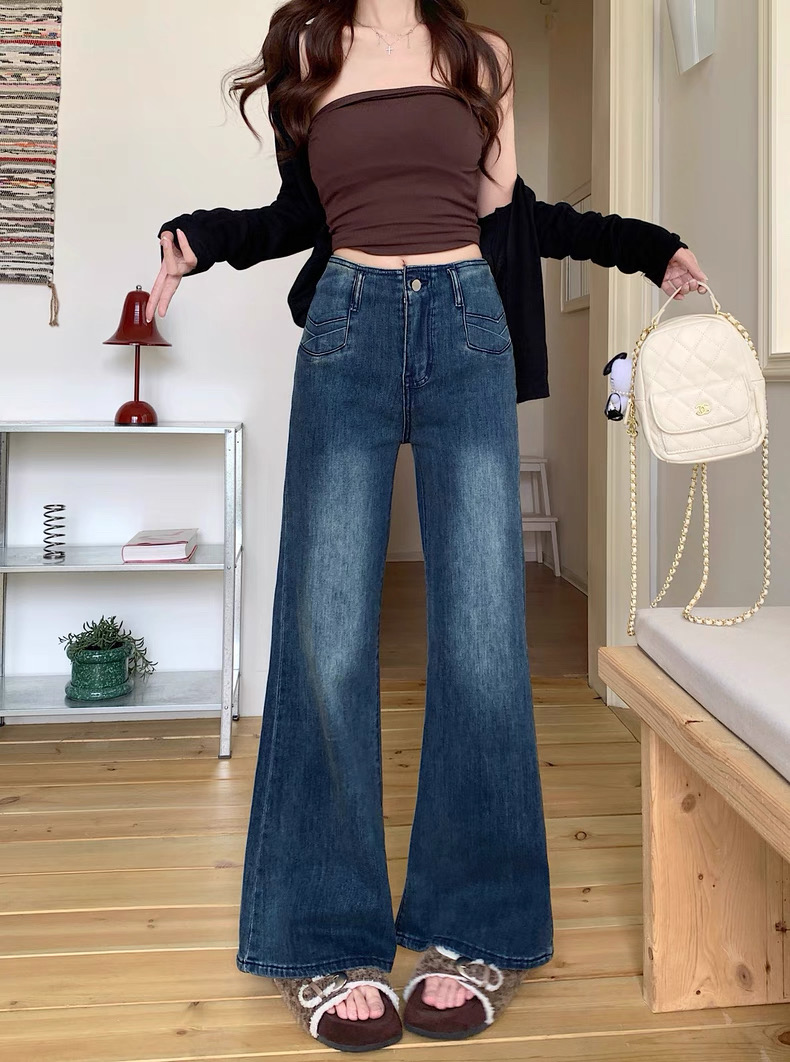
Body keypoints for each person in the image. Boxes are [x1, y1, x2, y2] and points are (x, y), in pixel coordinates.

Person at [147, 0, 708, 1051]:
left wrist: (647, 247)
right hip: (348, 329)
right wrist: (205, 240)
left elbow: (514, 212)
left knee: (484, 640)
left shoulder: (479, 54)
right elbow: (298, 214)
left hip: (465, 327)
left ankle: (474, 926)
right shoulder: (309, 48)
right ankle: (323, 936)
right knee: (325, 638)